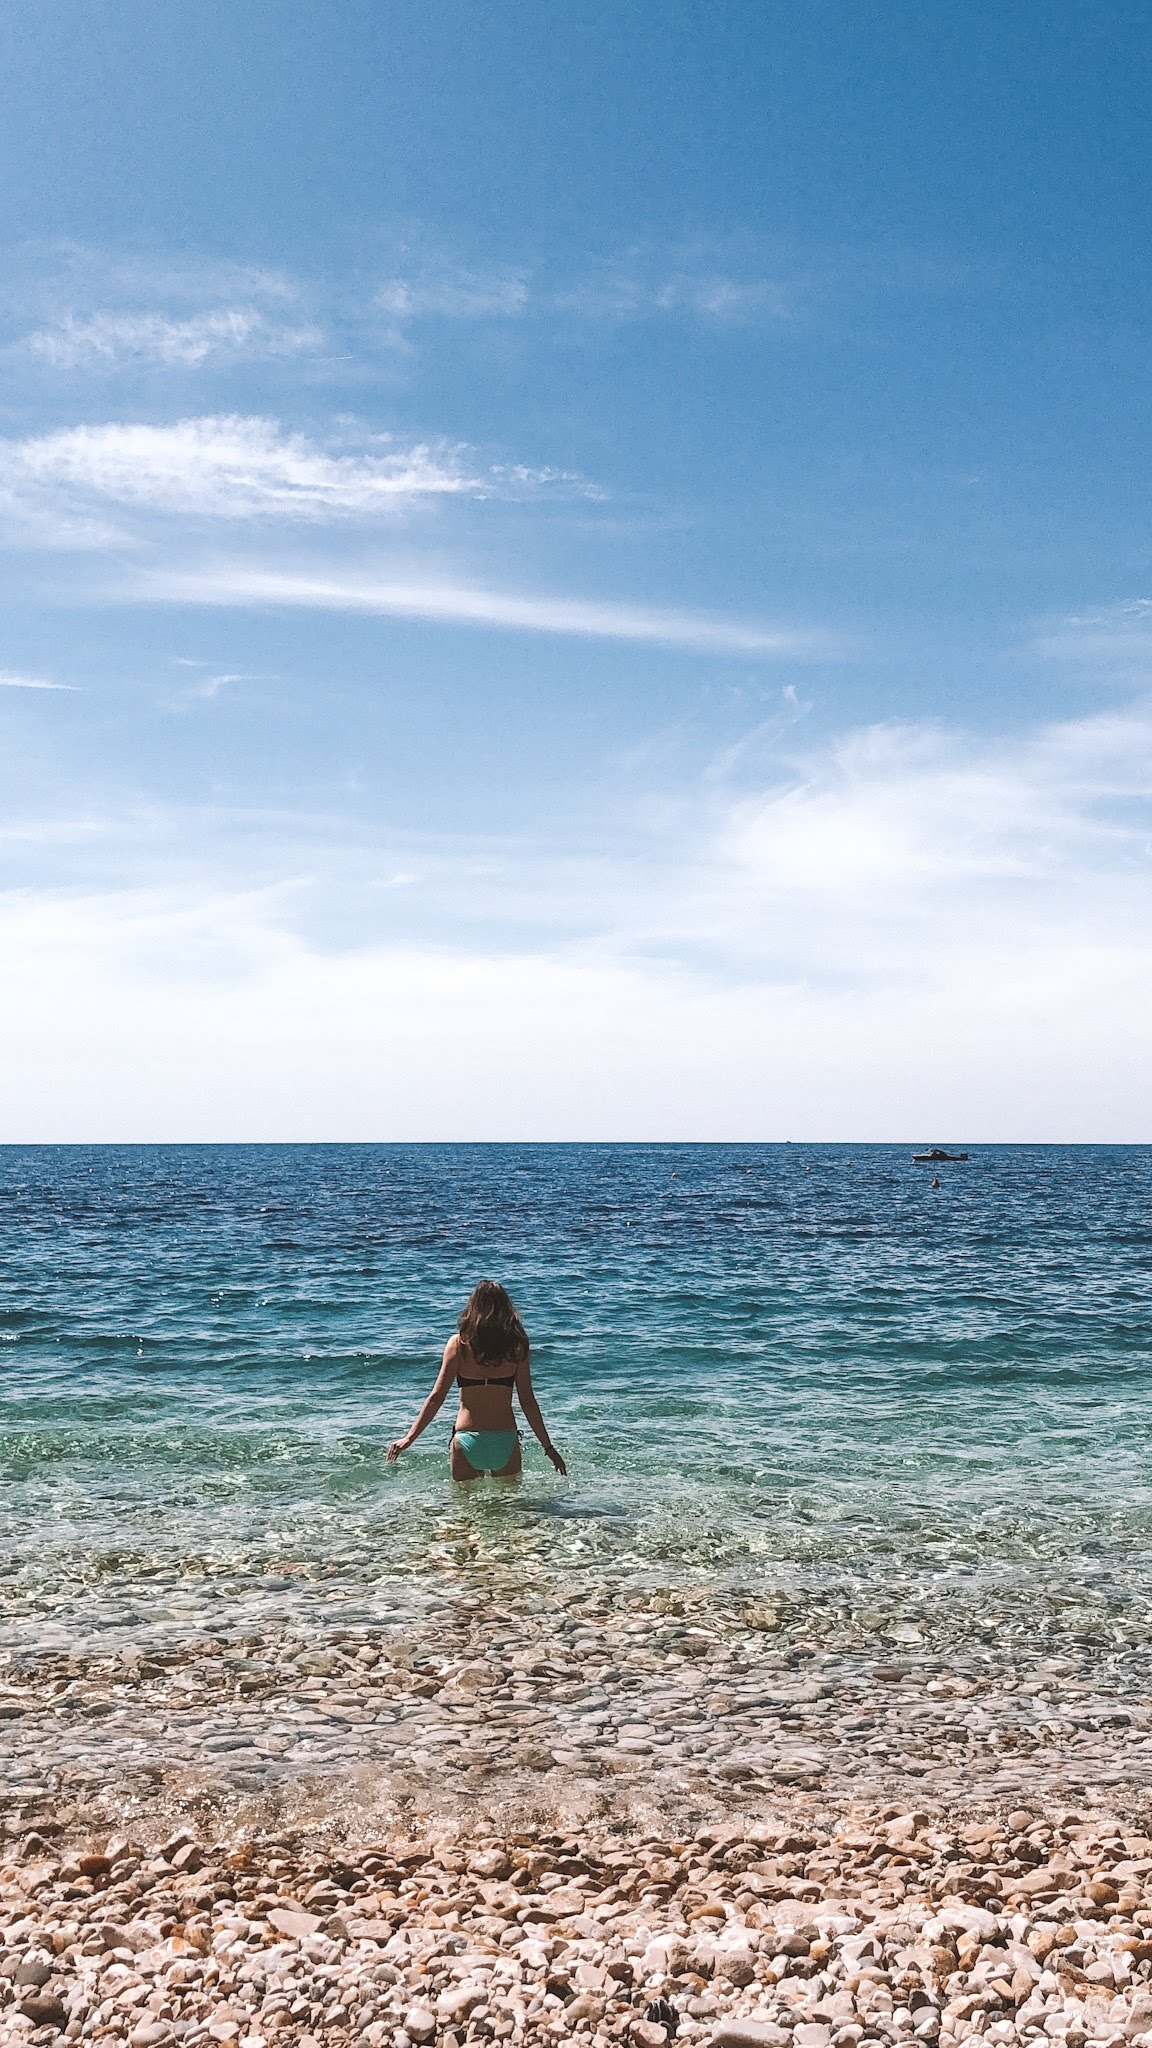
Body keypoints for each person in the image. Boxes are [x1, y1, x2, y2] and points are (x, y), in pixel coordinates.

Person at [387, 1280, 567, 1481]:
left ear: (473, 1307)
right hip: (505, 1440)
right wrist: (548, 1447)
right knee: (510, 1510)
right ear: (506, 1308)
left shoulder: (459, 1344)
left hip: (467, 1439)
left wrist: (409, 1438)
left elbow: (436, 1397)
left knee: (463, 1510)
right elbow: (528, 1401)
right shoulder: (517, 1346)